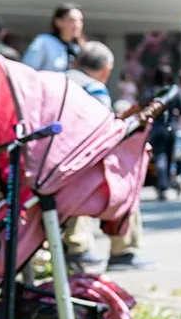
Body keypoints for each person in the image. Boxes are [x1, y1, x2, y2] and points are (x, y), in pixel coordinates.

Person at [64, 41, 153, 269]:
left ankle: (76, 246)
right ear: (105, 71)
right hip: (79, 166)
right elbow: (102, 131)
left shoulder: (56, 81)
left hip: (50, 168)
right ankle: (123, 250)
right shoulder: (93, 88)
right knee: (123, 179)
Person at [22, 3, 83, 71]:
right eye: (72, 20)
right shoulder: (43, 42)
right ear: (58, 22)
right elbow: (27, 70)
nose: (77, 25)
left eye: (80, 20)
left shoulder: (76, 48)